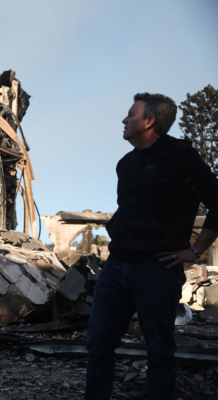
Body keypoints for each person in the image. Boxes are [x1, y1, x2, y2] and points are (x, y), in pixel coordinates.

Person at [85, 93, 218, 399]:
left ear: (149, 121)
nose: (124, 119)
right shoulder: (126, 164)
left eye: (131, 114)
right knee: (99, 343)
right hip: (116, 266)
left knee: (159, 351)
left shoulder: (181, 156)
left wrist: (195, 249)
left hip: (157, 269)